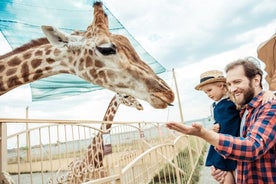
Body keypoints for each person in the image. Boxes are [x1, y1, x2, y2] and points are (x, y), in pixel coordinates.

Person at [166, 59, 276, 184]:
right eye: (229, 84)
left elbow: (252, 148)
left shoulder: (270, 107)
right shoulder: (244, 109)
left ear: (256, 80)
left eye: (237, 82)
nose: (233, 88)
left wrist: (204, 134)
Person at [194, 69, 240, 184]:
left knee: (223, 170)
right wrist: (214, 126)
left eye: (210, 90)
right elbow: (220, 122)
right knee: (222, 170)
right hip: (222, 140)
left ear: (221, 85)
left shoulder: (229, 103)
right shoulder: (218, 105)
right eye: (206, 92)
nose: (208, 94)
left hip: (227, 141)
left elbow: (230, 123)